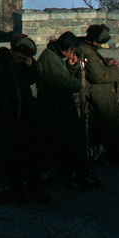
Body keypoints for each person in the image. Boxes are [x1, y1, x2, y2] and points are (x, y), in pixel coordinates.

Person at [0, 33, 46, 203]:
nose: (22, 60)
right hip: (7, 119)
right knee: (12, 160)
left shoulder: (21, 66)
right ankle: (17, 193)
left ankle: (36, 192)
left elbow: (32, 79)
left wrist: (31, 65)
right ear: (14, 52)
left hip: (24, 119)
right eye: (21, 57)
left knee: (30, 159)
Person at [36, 31, 99, 188]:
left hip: (60, 106)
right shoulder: (50, 58)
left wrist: (71, 67)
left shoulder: (55, 57)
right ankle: (68, 175)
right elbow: (61, 82)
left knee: (69, 142)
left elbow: (62, 75)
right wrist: (78, 84)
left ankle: (71, 173)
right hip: (55, 107)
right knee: (66, 143)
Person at [77, 24, 119, 165]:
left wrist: (106, 62)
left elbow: (95, 66)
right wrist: (114, 68)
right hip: (100, 93)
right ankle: (118, 157)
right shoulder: (88, 52)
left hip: (101, 92)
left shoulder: (87, 50)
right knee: (111, 126)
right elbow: (99, 75)